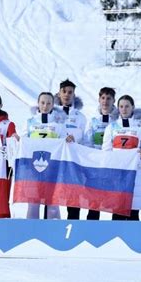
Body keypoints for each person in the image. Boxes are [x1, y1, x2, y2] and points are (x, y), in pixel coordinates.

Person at [102, 95, 141, 220]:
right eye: (121, 106)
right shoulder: (112, 127)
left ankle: (134, 238)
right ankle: (115, 237)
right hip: (117, 173)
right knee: (117, 209)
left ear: (133, 108)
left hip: (135, 173)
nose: (124, 109)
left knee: (133, 211)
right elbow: (106, 151)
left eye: (127, 106)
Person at [25, 92, 72, 219]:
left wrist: (69, 140)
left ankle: (54, 232)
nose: (45, 106)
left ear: (53, 105)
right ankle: (31, 230)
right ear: (38, 104)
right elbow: (25, 142)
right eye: (42, 102)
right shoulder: (31, 122)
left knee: (52, 202)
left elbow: (66, 144)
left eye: (49, 103)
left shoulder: (59, 125)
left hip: (53, 169)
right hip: (34, 168)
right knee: (33, 202)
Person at [54, 79, 87, 220]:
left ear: (74, 94)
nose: (67, 95)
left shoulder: (80, 117)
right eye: (64, 91)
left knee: (73, 193)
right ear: (59, 93)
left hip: (73, 159)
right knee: (52, 192)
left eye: (70, 92)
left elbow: (83, 138)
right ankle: (50, 223)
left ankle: (74, 223)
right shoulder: (52, 113)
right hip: (56, 158)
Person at [84, 87, 118, 220]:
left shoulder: (118, 120)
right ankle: (92, 226)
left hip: (113, 163)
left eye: (109, 98)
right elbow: (87, 141)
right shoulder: (93, 120)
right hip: (97, 163)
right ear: (99, 99)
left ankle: (117, 226)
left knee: (114, 196)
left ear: (114, 100)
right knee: (94, 198)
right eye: (103, 98)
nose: (105, 101)